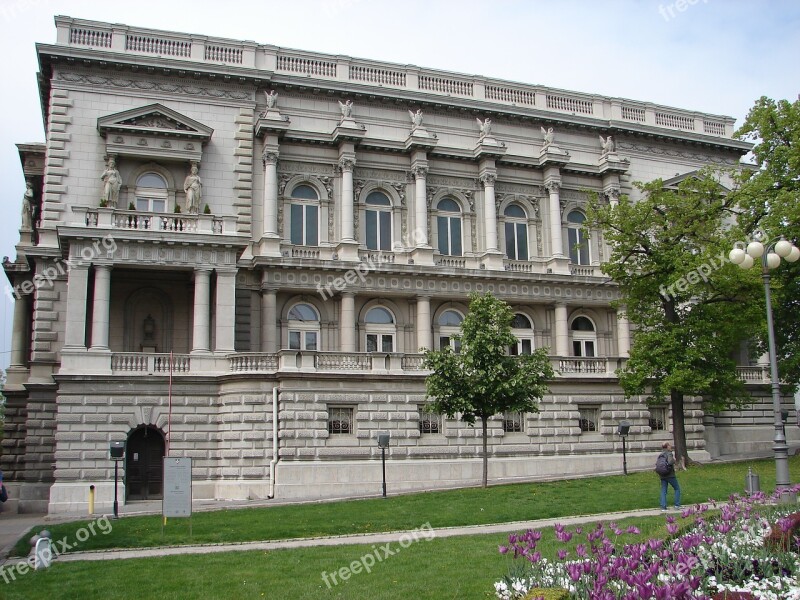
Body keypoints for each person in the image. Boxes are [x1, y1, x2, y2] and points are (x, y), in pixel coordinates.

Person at [658, 442, 681, 511]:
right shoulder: (669, 453)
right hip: (670, 475)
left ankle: (663, 507)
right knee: (677, 488)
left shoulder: (661, 454)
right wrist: (674, 460)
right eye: (670, 445)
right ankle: (677, 505)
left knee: (663, 490)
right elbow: (670, 462)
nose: (671, 446)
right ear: (667, 447)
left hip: (662, 475)